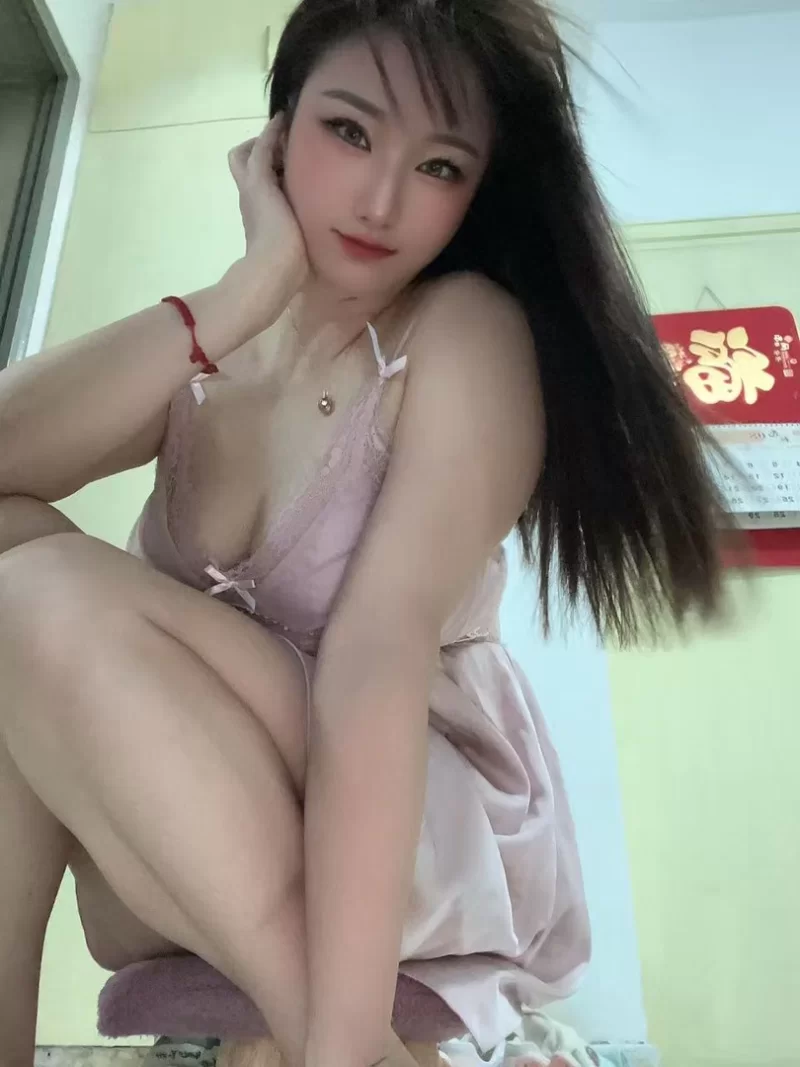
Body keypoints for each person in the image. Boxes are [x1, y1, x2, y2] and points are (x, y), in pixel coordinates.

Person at [0, 1, 726, 1066]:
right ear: (277, 130)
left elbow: (377, 654)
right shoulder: (220, 357)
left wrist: (337, 1039)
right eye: (348, 131)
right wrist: (241, 292)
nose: (383, 200)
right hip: (199, 804)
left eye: (439, 167)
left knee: (28, 593)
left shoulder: (462, 329)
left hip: (409, 821)